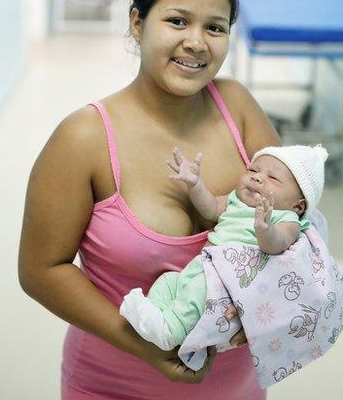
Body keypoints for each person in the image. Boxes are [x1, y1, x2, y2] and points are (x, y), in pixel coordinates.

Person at [19, 0, 279, 398]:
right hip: (114, 383)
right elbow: (41, 269)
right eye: (177, 21)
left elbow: (293, 214)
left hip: (237, 385)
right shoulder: (85, 138)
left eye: (214, 27)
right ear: (138, 23)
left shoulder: (238, 109)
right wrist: (144, 346)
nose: (197, 42)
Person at [120, 144, 327, 350]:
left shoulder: (287, 219)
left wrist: (265, 229)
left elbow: (276, 244)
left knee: (198, 292)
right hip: (201, 267)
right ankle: (155, 312)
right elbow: (210, 208)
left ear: (298, 206)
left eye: (273, 178)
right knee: (170, 281)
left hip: (227, 282)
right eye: (253, 170)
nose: (257, 177)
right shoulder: (236, 200)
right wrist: (195, 184)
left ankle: (170, 332)